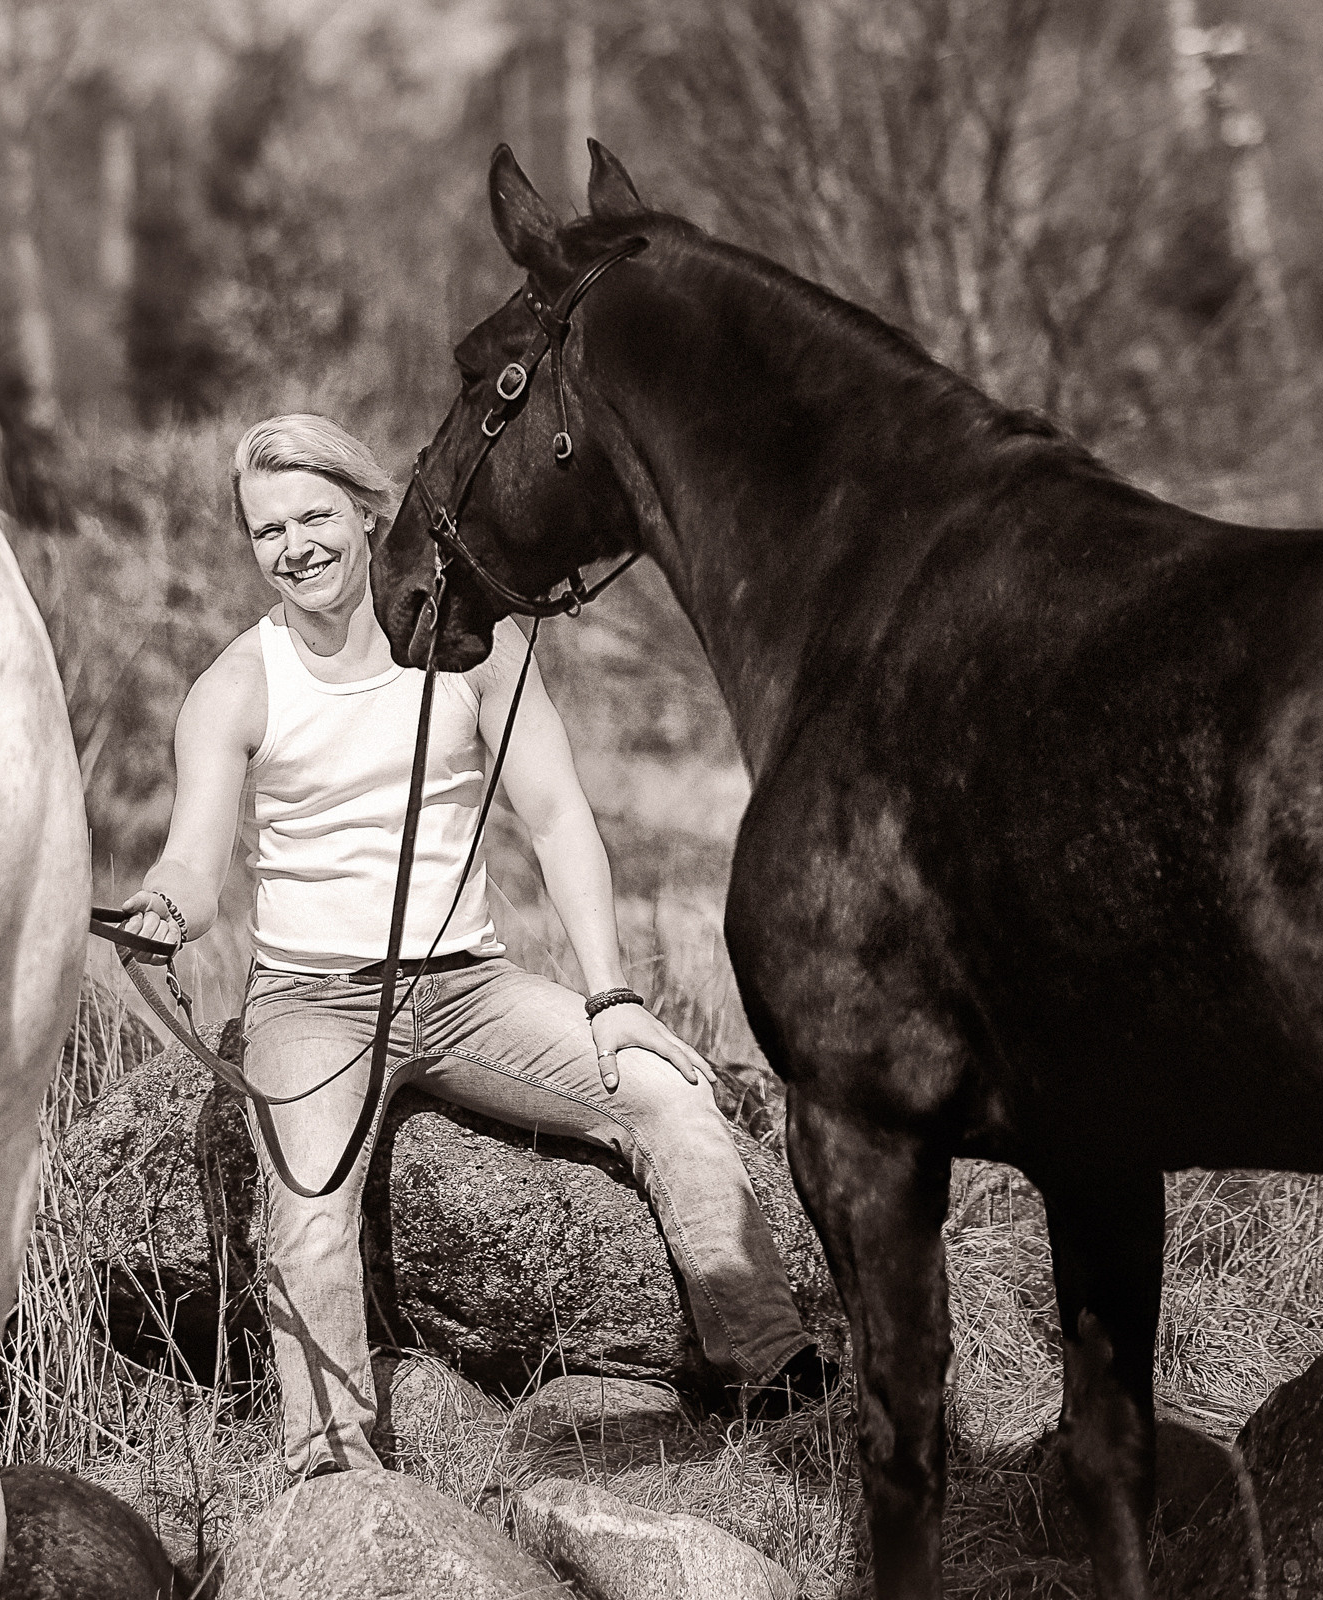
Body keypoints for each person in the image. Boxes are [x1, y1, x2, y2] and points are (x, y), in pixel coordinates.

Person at [121, 414, 826, 1477]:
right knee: (309, 1221)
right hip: (312, 1005)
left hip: (473, 993)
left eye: (316, 516)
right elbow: (193, 864)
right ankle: (335, 1472)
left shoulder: (472, 652)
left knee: (668, 1096)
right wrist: (161, 910)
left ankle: (772, 1375)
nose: (295, 545)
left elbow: (558, 819)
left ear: (369, 516)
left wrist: (612, 994)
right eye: (269, 529)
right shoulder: (236, 686)